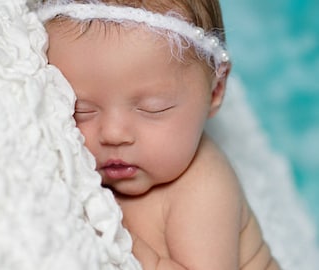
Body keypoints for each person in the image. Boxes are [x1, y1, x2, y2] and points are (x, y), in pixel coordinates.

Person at [38, 0, 280, 269]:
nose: (114, 134)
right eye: (81, 110)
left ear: (215, 91)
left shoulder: (203, 186)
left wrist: (118, 234)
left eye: (152, 109)